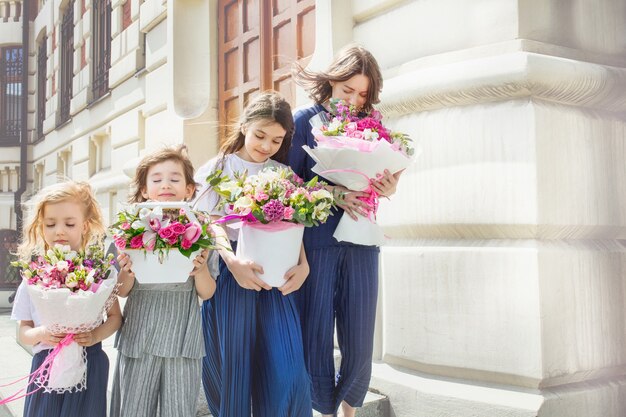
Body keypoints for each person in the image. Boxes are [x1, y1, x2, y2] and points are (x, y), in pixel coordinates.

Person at [288, 44, 402, 417]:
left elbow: (383, 175)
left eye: (363, 94)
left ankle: (350, 412)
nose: (353, 101)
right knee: (315, 333)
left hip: (362, 240)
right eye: (346, 90)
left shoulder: (373, 127)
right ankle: (320, 409)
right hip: (317, 242)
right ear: (330, 83)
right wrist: (332, 192)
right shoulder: (304, 120)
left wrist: (389, 186)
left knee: (359, 334)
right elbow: (286, 185)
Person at [194, 91, 312, 417]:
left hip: (277, 276)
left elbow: (295, 223)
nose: (266, 145)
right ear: (244, 125)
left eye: (276, 140)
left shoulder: (283, 174)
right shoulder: (218, 168)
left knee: (287, 369)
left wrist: (303, 265)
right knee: (233, 370)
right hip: (232, 273)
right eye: (260, 135)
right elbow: (208, 221)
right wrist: (231, 262)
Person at [110, 145, 216, 417]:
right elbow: (122, 292)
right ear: (144, 189)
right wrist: (126, 270)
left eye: (174, 178)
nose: (165, 185)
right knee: (133, 408)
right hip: (140, 331)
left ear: (189, 189)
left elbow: (207, 293)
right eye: (156, 179)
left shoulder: (202, 227)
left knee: (178, 409)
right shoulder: (130, 226)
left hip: (184, 333)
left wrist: (201, 269)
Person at [11, 181, 123, 417]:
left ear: (85, 226)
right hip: (46, 364)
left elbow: (115, 318)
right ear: (41, 228)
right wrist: (42, 333)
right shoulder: (33, 278)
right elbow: (23, 332)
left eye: (69, 223)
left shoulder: (99, 274)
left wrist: (95, 336)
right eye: (50, 224)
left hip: (90, 362)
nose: (59, 231)